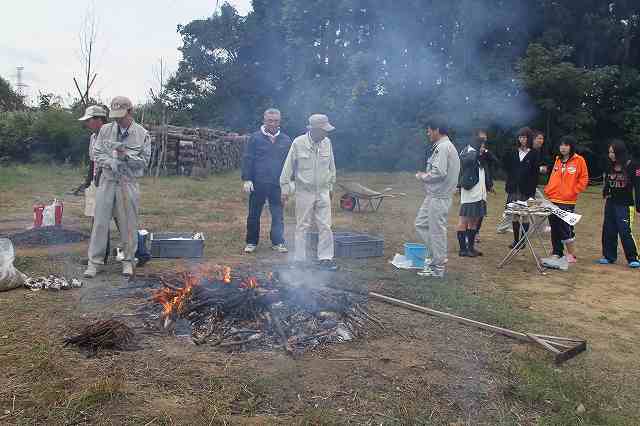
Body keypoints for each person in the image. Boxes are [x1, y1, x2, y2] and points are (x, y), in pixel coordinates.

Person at [84, 96, 151, 278]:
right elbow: (97, 153)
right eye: (115, 116)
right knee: (99, 222)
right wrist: (110, 162)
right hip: (107, 181)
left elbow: (144, 162)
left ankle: (128, 261)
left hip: (128, 182)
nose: (118, 120)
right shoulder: (105, 130)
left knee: (128, 223)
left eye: (121, 116)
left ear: (130, 112)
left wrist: (126, 157)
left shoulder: (142, 134)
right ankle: (94, 263)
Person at [280, 114, 337, 270]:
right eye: (324, 130)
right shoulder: (298, 143)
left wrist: (331, 187)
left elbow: (332, 167)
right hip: (304, 192)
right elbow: (287, 167)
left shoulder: (327, 142)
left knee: (325, 226)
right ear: (314, 129)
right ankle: (299, 260)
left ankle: (325, 258)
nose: (326, 133)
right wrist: (285, 189)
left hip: (323, 191)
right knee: (302, 226)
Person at [241, 108, 292, 254]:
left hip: (277, 184)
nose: (273, 124)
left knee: (278, 214)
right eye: (270, 121)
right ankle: (251, 242)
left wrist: (290, 181)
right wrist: (247, 179)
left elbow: (290, 162)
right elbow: (248, 158)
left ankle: (278, 242)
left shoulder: (286, 140)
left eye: (276, 121)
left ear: (279, 122)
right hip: (258, 182)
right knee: (254, 214)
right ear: (264, 121)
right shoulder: (255, 138)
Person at [415, 118, 461, 278]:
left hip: (440, 196)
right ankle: (437, 256)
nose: (427, 133)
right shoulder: (443, 146)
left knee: (436, 232)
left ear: (437, 130)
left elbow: (439, 173)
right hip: (434, 195)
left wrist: (423, 176)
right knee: (421, 224)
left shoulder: (443, 147)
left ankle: (437, 267)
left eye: (429, 130)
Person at [543, 136, 589, 263]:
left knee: (565, 226)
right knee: (554, 226)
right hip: (553, 199)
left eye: (566, 145)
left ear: (571, 147)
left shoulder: (579, 160)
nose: (563, 148)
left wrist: (574, 190)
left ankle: (571, 254)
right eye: (561, 145)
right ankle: (557, 252)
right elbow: (553, 177)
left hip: (567, 201)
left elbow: (584, 178)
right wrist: (548, 189)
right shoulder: (557, 159)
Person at [598, 140, 640, 268]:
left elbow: (638, 186)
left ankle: (633, 258)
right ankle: (609, 256)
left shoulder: (633, 165)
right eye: (609, 152)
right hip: (611, 203)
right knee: (608, 230)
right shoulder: (609, 164)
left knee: (625, 231)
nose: (610, 154)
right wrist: (606, 191)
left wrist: (638, 205)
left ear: (619, 152)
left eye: (612, 152)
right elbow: (607, 179)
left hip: (625, 205)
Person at [502, 127, 540, 248]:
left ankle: (523, 242)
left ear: (529, 138)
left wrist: (532, 192)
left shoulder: (534, 153)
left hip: (527, 189)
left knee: (525, 215)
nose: (522, 139)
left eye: (524, 137)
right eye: (520, 137)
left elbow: (535, 174)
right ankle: (516, 240)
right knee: (515, 214)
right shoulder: (513, 152)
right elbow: (507, 168)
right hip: (514, 188)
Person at [457, 134, 494, 257]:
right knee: (464, 220)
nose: (483, 148)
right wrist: (478, 152)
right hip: (470, 192)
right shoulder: (468, 152)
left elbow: (494, 161)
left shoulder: (481, 155)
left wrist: (485, 152)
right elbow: (466, 160)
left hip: (480, 193)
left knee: (474, 221)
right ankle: (463, 249)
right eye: (482, 145)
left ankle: (471, 248)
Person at [78, 105, 108, 220]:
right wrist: (89, 180)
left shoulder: (111, 136)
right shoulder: (93, 137)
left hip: (111, 181)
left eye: (88, 120)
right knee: (95, 212)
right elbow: (92, 160)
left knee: (116, 214)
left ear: (99, 120)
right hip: (97, 180)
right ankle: (96, 232)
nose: (86, 124)